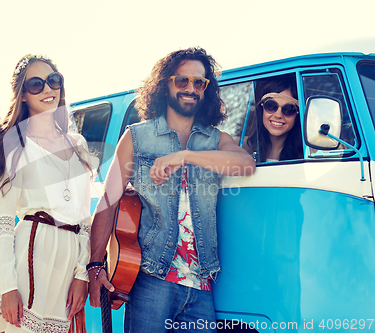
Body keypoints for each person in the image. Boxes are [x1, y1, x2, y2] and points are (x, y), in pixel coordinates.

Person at [87, 47, 256, 332]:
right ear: (165, 85)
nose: (191, 88)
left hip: (201, 285)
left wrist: (185, 156)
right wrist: (94, 266)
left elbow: (245, 164)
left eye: (199, 83)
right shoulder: (137, 137)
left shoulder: (217, 139)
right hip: (152, 279)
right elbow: (108, 201)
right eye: (182, 81)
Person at [0, 54, 96, 333]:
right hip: (32, 254)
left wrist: (81, 275)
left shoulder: (77, 144)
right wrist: (8, 286)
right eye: (36, 84)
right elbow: (2, 223)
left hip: (69, 262)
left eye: (53, 80)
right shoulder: (14, 142)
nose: (48, 89)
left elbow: (84, 218)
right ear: (22, 95)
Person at [241, 77, 303, 162]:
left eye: (289, 109)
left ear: (297, 115)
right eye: (271, 106)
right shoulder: (241, 147)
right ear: (261, 108)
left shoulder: (308, 153)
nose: (278, 115)